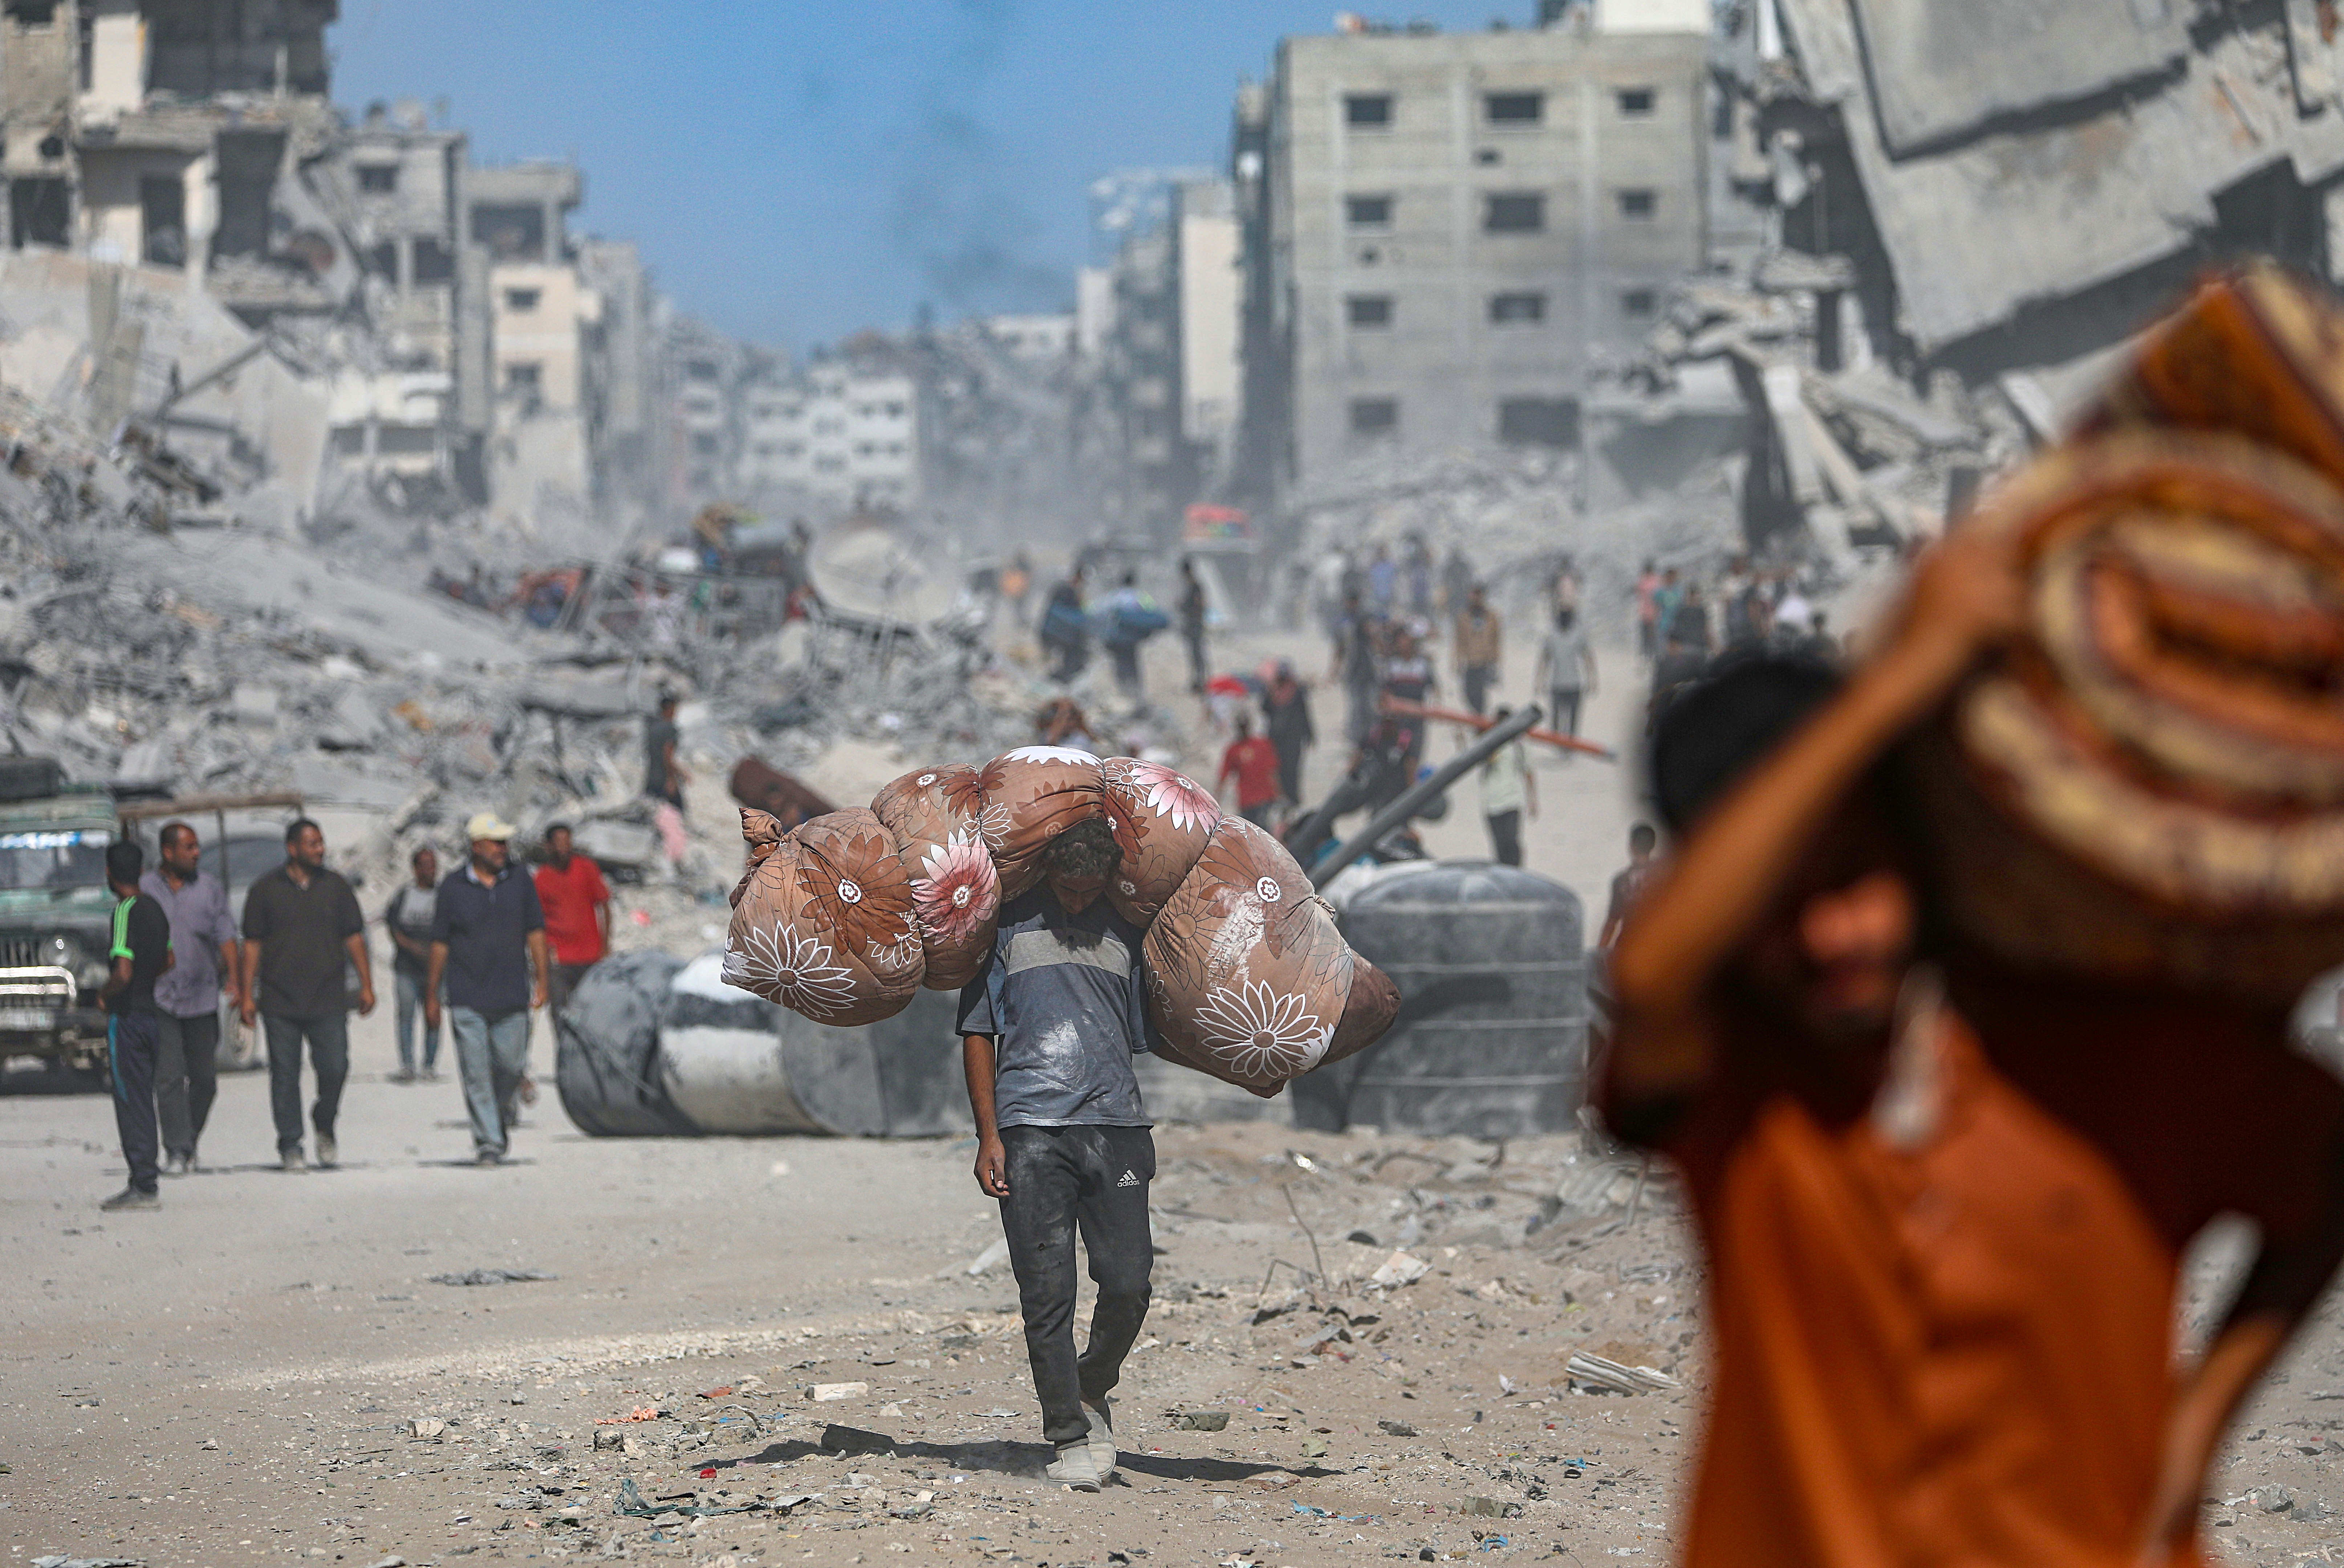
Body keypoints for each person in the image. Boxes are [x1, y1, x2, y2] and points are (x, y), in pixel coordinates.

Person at [1601, 535, 2344, 1568]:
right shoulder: (1742, 1089)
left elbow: (2326, 1162)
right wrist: (1900, 677)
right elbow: (1644, 976)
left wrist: (2197, 1422)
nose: (1831, 937)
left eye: (1855, 876)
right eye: (1782, 904)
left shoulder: (2110, 1050)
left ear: (1918, 846)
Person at [959, 818, 1157, 1494]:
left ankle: (1092, 1384)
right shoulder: (1007, 928)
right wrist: (989, 1134)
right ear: (1047, 874)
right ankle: (1068, 1434)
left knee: (1129, 1281)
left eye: (1088, 889)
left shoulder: (1127, 932)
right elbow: (979, 1031)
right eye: (1066, 888)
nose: (1076, 902)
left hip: (1119, 1125)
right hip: (1029, 1130)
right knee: (1047, 1293)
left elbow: (1147, 1029)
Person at [240, 818, 372, 1172]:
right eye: (312, 843)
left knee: (336, 1066)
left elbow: (355, 938)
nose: (320, 849)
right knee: (284, 1073)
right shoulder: (265, 890)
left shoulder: (336, 887)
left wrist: (367, 984)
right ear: (293, 848)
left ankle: (324, 1119)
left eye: (321, 842)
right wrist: (246, 994)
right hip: (279, 998)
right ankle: (290, 1143)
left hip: (328, 997)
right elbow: (252, 944)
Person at [427, 814, 551, 1167]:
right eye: (495, 843)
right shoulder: (452, 887)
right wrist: (432, 994)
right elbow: (439, 943)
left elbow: (536, 932)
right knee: (476, 1071)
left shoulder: (519, 881)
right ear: (475, 846)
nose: (502, 849)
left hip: (512, 995)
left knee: (510, 1066)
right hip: (467, 996)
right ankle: (488, 1140)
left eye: (504, 843)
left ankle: (496, 1118)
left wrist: (541, 980)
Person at [142, 822, 240, 1173]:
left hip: (202, 997)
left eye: (198, 847)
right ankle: (177, 1151)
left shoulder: (209, 889)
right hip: (161, 997)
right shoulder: (145, 889)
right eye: (189, 847)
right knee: (168, 1077)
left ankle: (189, 1136)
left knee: (205, 1080)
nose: (197, 853)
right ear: (168, 852)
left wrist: (237, 980)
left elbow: (226, 934)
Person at [99, 839, 172, 1212]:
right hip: (153, 1014)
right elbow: (169, 959)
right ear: (141, 870)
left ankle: (143, 1182)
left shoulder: (125, 910)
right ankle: (146, 1177)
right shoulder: (156, 909)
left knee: (130, 1099)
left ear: (110, 873)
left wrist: (104, 995)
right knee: (145, 1096)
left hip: (127, 1017)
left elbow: (122, 972)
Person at [533, 823, 612, 1018]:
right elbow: (538, 925)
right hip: (560, 961)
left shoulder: (587, 868)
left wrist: (605, 945)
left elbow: (604, 906)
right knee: (560, 1015)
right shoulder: (541, 878)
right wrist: (542, 966)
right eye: (558, 843)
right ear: (548, 846)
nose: (564, 848)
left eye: (567, 842)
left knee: (592, 1014)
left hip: (591, 957)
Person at [383, 847, 443, 1082]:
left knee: (434, 1015)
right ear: (416, 868)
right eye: (426, 865)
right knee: (406, 1015)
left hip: (436, 970)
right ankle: (408, 1064)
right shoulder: (404, 895)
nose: (431, 870)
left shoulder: (443, 896)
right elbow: (393, 927)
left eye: (433, 865)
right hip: (406, 968)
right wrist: (410, 946)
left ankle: (429, 1064)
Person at [1477, 706, 1535, 867]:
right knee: (1499, 846)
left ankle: (1516, 872)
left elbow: (1529, 772)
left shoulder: (1520, 745)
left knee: (1512, 841)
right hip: (1490, 801)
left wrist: (1533, 800)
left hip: (1512, 799)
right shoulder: (1488, 743)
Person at [1100, 571, 1169, 701]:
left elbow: (1102, 613)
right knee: (1132, 663)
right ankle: (1136, 692)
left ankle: (1123, 691)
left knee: (1120, 664)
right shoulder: (1140, 597)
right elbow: (1153, 613)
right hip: (1131, 640)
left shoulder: (1114, 596)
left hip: (1116, 639)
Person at [1534, 605, 1596, 740]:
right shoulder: (1551, 636)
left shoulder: (1578, 635)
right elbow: (1544, 660)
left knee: (1573, 721)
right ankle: (1558, 745)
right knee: (1556, 720)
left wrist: (1592, 680)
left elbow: (1588, 659)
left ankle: (1571, 746)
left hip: (1574, 684)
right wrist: (1539, 681)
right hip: (1557, 684)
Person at [1329, 590, 1383, 745]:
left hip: (1367, 670)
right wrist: (1334, 672)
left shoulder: (1364, 618)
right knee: (1357, 705)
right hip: (1354, 671)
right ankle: (1358, 737)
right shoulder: (1344, 622)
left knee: (1368, 705)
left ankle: (1369, 735)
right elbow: (1340, 650)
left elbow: (1374, 637)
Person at [645, 692, 688, 876]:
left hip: (651, 777)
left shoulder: (652, 728)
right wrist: (674, 778)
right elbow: (668, 755)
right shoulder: (670, 729)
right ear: (669, 709)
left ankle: (656, 850)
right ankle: (675, 857)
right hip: (664, 779)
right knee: (678, 814)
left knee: (656, 815)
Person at [1260, 662, 1315, 807]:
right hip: (1278, 738)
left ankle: (1293, 798)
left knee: (1292, 769)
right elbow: (1265, 709)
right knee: (1278, 768)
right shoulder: (1273, 691)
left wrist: (1310, 734)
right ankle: (1283, 798)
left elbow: (1305, 713)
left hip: (1292, 738)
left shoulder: (1297, 692)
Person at [1597, 822, 1658, 949]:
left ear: (1632, 846)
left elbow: (1612, 922)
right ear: (1653, 846)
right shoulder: (1665, 877)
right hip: (1661, 948)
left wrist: (1600, 952)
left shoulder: (1622, 881)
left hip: (1630, 948)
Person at [1216, 713, 1281, 828]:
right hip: (1252, 800)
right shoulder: (1260, 745)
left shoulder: (1260, 745)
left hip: (1258, 799)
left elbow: (1272, 772)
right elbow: (1273, 773)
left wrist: (1217, 801)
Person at [1453, 583, 1503, 716]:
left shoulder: (1491, 617)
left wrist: (1495, 660)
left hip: (1485, 661)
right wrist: (1458, 660)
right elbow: (1459, 641)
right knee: (1468, 693)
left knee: (1480, 694)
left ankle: (1480, 720)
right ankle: (1477, 717)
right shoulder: (1464, 617)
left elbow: (1496, 639)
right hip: (1470, 661)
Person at [1039, 567, 1091, 683]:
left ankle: (1062, 678)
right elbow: (1064, 613)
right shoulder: (1065, 590)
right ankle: (1060, 679)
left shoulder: (1069, 591)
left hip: (1062, 633)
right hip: (1057, 632)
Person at [1176, 558, 1209, 696]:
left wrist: (1185, 607)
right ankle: (1198, 682)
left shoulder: (1195, 586)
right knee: (1194, 655)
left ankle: (1202, 683)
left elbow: (1201, 605)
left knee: (1198, 655)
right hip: (1191, 624)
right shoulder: (1191, 586)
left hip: (1195, 624)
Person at [1635, 559, 1661, 659]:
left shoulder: (1644, 581)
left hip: (1648, 613)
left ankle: (1648, 654)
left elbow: (1639, 591)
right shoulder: (1657, 581)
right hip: (1650, 613)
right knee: (1650, 636)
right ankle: (1650, 654)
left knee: (1648, 636)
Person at [1366, 543, 1397, 615]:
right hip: (1376, 597)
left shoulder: (1390, 566)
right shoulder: (1374, 567)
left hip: (1389, 596)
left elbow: (1394, 581)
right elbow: (1370, 581)